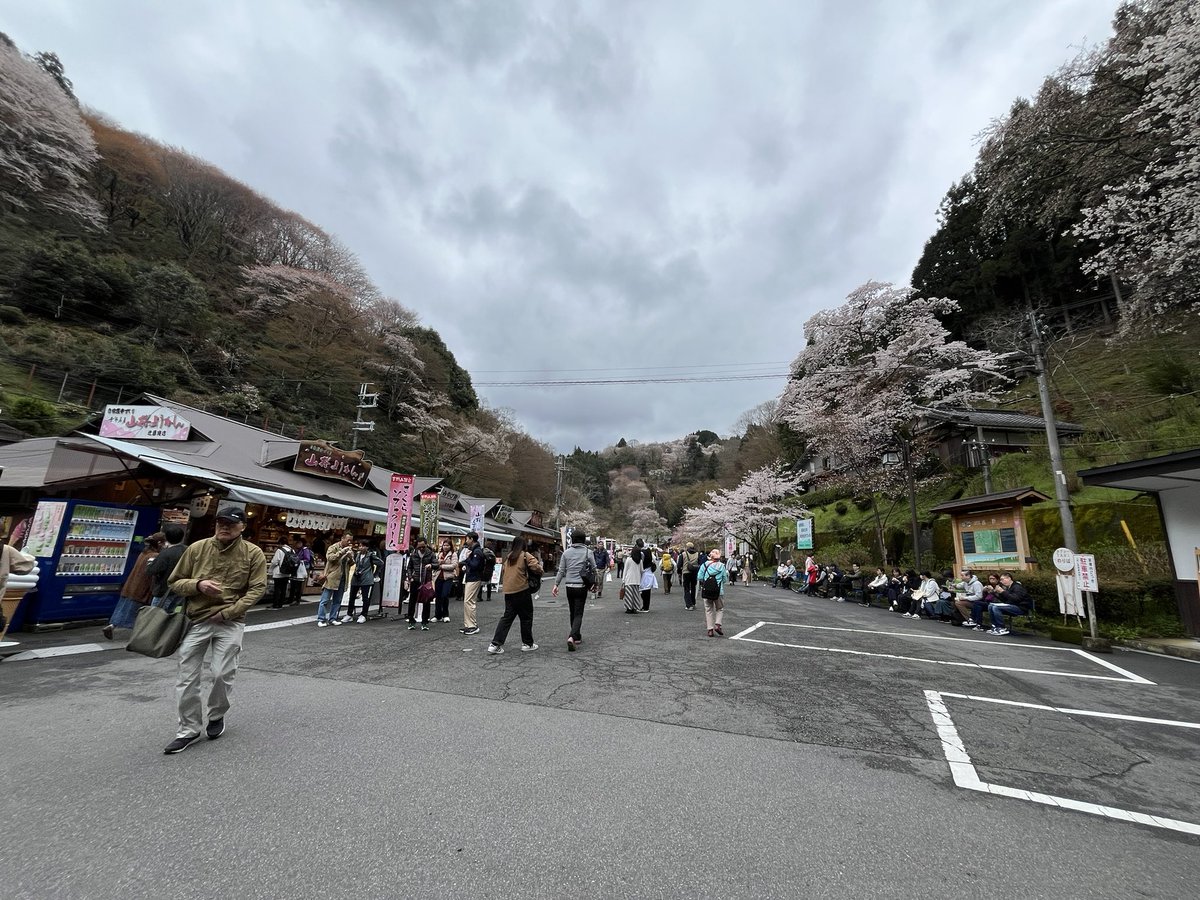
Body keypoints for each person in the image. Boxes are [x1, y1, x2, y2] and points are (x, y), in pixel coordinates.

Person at [163, 507, 266, 754]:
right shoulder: (197, 548)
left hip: (230, 621)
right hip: (196, 620)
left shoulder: (253, 553)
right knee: (186, 675)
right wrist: (198, 585)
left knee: (221, 673)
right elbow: (174, 582)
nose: (224, 527)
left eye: (230, 523)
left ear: (242, 527)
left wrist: (228, 612)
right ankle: (188, 730)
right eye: (220, 522)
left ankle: (217, 714)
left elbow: (257, 588)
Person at [102, 532, 164, 640]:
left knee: (123, 608)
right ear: (159, 543)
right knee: (137, 613)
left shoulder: (144, 553)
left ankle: (112, 626)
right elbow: (151, 573)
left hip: (130, 586)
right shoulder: (154, 556)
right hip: (141, 588)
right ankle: (137, 635)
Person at [488, 537, 542, 654]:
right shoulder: (525, 555)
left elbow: (503, 572)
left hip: (508, 591)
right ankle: (527, 644)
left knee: (507, 617)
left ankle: (495, 644)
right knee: (526, 617)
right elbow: (536, 567)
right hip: (522, 589)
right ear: (524, 545)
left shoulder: (509, 557)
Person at [551, 530, 594, 650]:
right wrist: (595, 584)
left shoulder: (566, 553)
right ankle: (572, 637)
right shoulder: (588, 552)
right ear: (583, 539)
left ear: (573, 539)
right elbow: (594, 569)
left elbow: (561, 570)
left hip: (569, 586)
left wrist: (556, 585)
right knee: (579, 613)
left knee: (572, 611)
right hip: (581, 586)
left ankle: (577, 636)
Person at [316, 532, 353, 627]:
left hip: (343, 577)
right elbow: (330, 558)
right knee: (325, 600)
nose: (349, 542)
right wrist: (342, 552)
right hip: (332, 577)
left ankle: (333, 618)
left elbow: (351, 563)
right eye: (347, 540)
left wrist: (350, 558)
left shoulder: (349, 549)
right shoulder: (333, 547)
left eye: (350, 540)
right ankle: (321, 619)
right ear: (342, 538)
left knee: (337, 600)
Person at [147, 525, 188, 608]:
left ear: (166, 538)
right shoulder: (188, 550)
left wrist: (150, 562)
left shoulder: (165, 553)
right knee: (172, 617)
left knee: (156, 617)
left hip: (164, 591)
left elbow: (152, 570)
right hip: (181, 591)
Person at [343, 538, 381, 622]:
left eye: (363, 546)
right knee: (352, 596)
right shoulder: (357, 554)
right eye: (360, 546)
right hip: (356, 577)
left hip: (366, 578)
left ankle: (364, 614)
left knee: (365, 597)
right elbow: (353, 563)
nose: (361, 548)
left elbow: (380, 563)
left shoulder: (370, 555)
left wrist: (374, 573)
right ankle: (349, 614)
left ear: (367, 547)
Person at [697, 548, 729, 637]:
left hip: (706, 591)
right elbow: (724, 579)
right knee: (719, 608)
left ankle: (710, 630)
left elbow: (699, 577)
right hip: (719, 591)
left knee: (708, 610)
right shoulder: (722, 566)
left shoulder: (704, 565)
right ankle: (718, 625)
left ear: (710, 556)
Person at [406, 538, 436, 630]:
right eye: (419, 547)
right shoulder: (413, 555)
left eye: (423, 547)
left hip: (426, 581)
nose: (421, 549)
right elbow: (409, 567)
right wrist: (410, 577)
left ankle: (425, 622)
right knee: (412, 601)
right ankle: (411, 621)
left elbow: (437, 564)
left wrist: (431, 565)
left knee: (426, 602)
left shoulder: (431, 554)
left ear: (426, 545)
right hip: (415, 581)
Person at [459, 531, 485, 636]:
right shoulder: (474, 550)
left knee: (469, 601)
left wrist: (467, 559)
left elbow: (475, 565)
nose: (466, 541)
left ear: (471, 539)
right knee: (468, 601)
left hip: (474, 578)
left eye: (467, 539)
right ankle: (468, 625)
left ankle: (472, 625)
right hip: (472, 577)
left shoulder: (477, 551)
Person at [267, 537, 295, 609]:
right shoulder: (292, 550)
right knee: (284, 588)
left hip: (278, 572)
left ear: (280, 543)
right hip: (287, 572)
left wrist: (270, 570)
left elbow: (274, 562)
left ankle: (275, 604)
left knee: (277, 588)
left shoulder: (279, 550)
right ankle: (281, 604)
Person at [679, 542, 702, 610]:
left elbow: (679, 565)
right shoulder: (697, 554)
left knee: (686, 589)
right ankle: (693, 603)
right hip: (694, 572)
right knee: (693, 588)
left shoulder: (683, 554)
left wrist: (680, 570)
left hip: (686, 572)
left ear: (687, 547)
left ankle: (689, 605)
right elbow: (700, 563)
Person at [621, 545, 643, 614]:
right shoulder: (640, 561)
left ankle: (629, 608)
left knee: (629, 595)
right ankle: (635, 608)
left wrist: (623, 580)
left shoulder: (628, 560)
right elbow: (641, 571)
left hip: (629, 579)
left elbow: (625, 570)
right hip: (637, 580)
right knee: (636, 595)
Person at [289, 537, 310, 606]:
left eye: (298, 543)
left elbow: (307, 559)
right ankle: (291, 598)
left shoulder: (304, 550)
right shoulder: (298, 550)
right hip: (296, 569)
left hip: (300, 569)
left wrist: (300, 561)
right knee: (294, 584)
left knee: (298, 585)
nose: (297, 544)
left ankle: (297, 599)